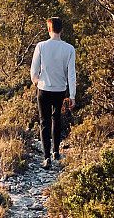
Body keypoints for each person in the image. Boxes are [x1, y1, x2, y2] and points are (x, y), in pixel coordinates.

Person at [30, 16, 76, 169]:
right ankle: (56, 151)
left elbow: (34, 70)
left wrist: (36, 81)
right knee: (57, 119)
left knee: (44, 122)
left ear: (49, 29)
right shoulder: (69, 49)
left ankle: (47, 157)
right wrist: (72, 95)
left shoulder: (41, 46)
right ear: (61, 30)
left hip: (43, 89)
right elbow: (71, 74)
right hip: (60, 90)